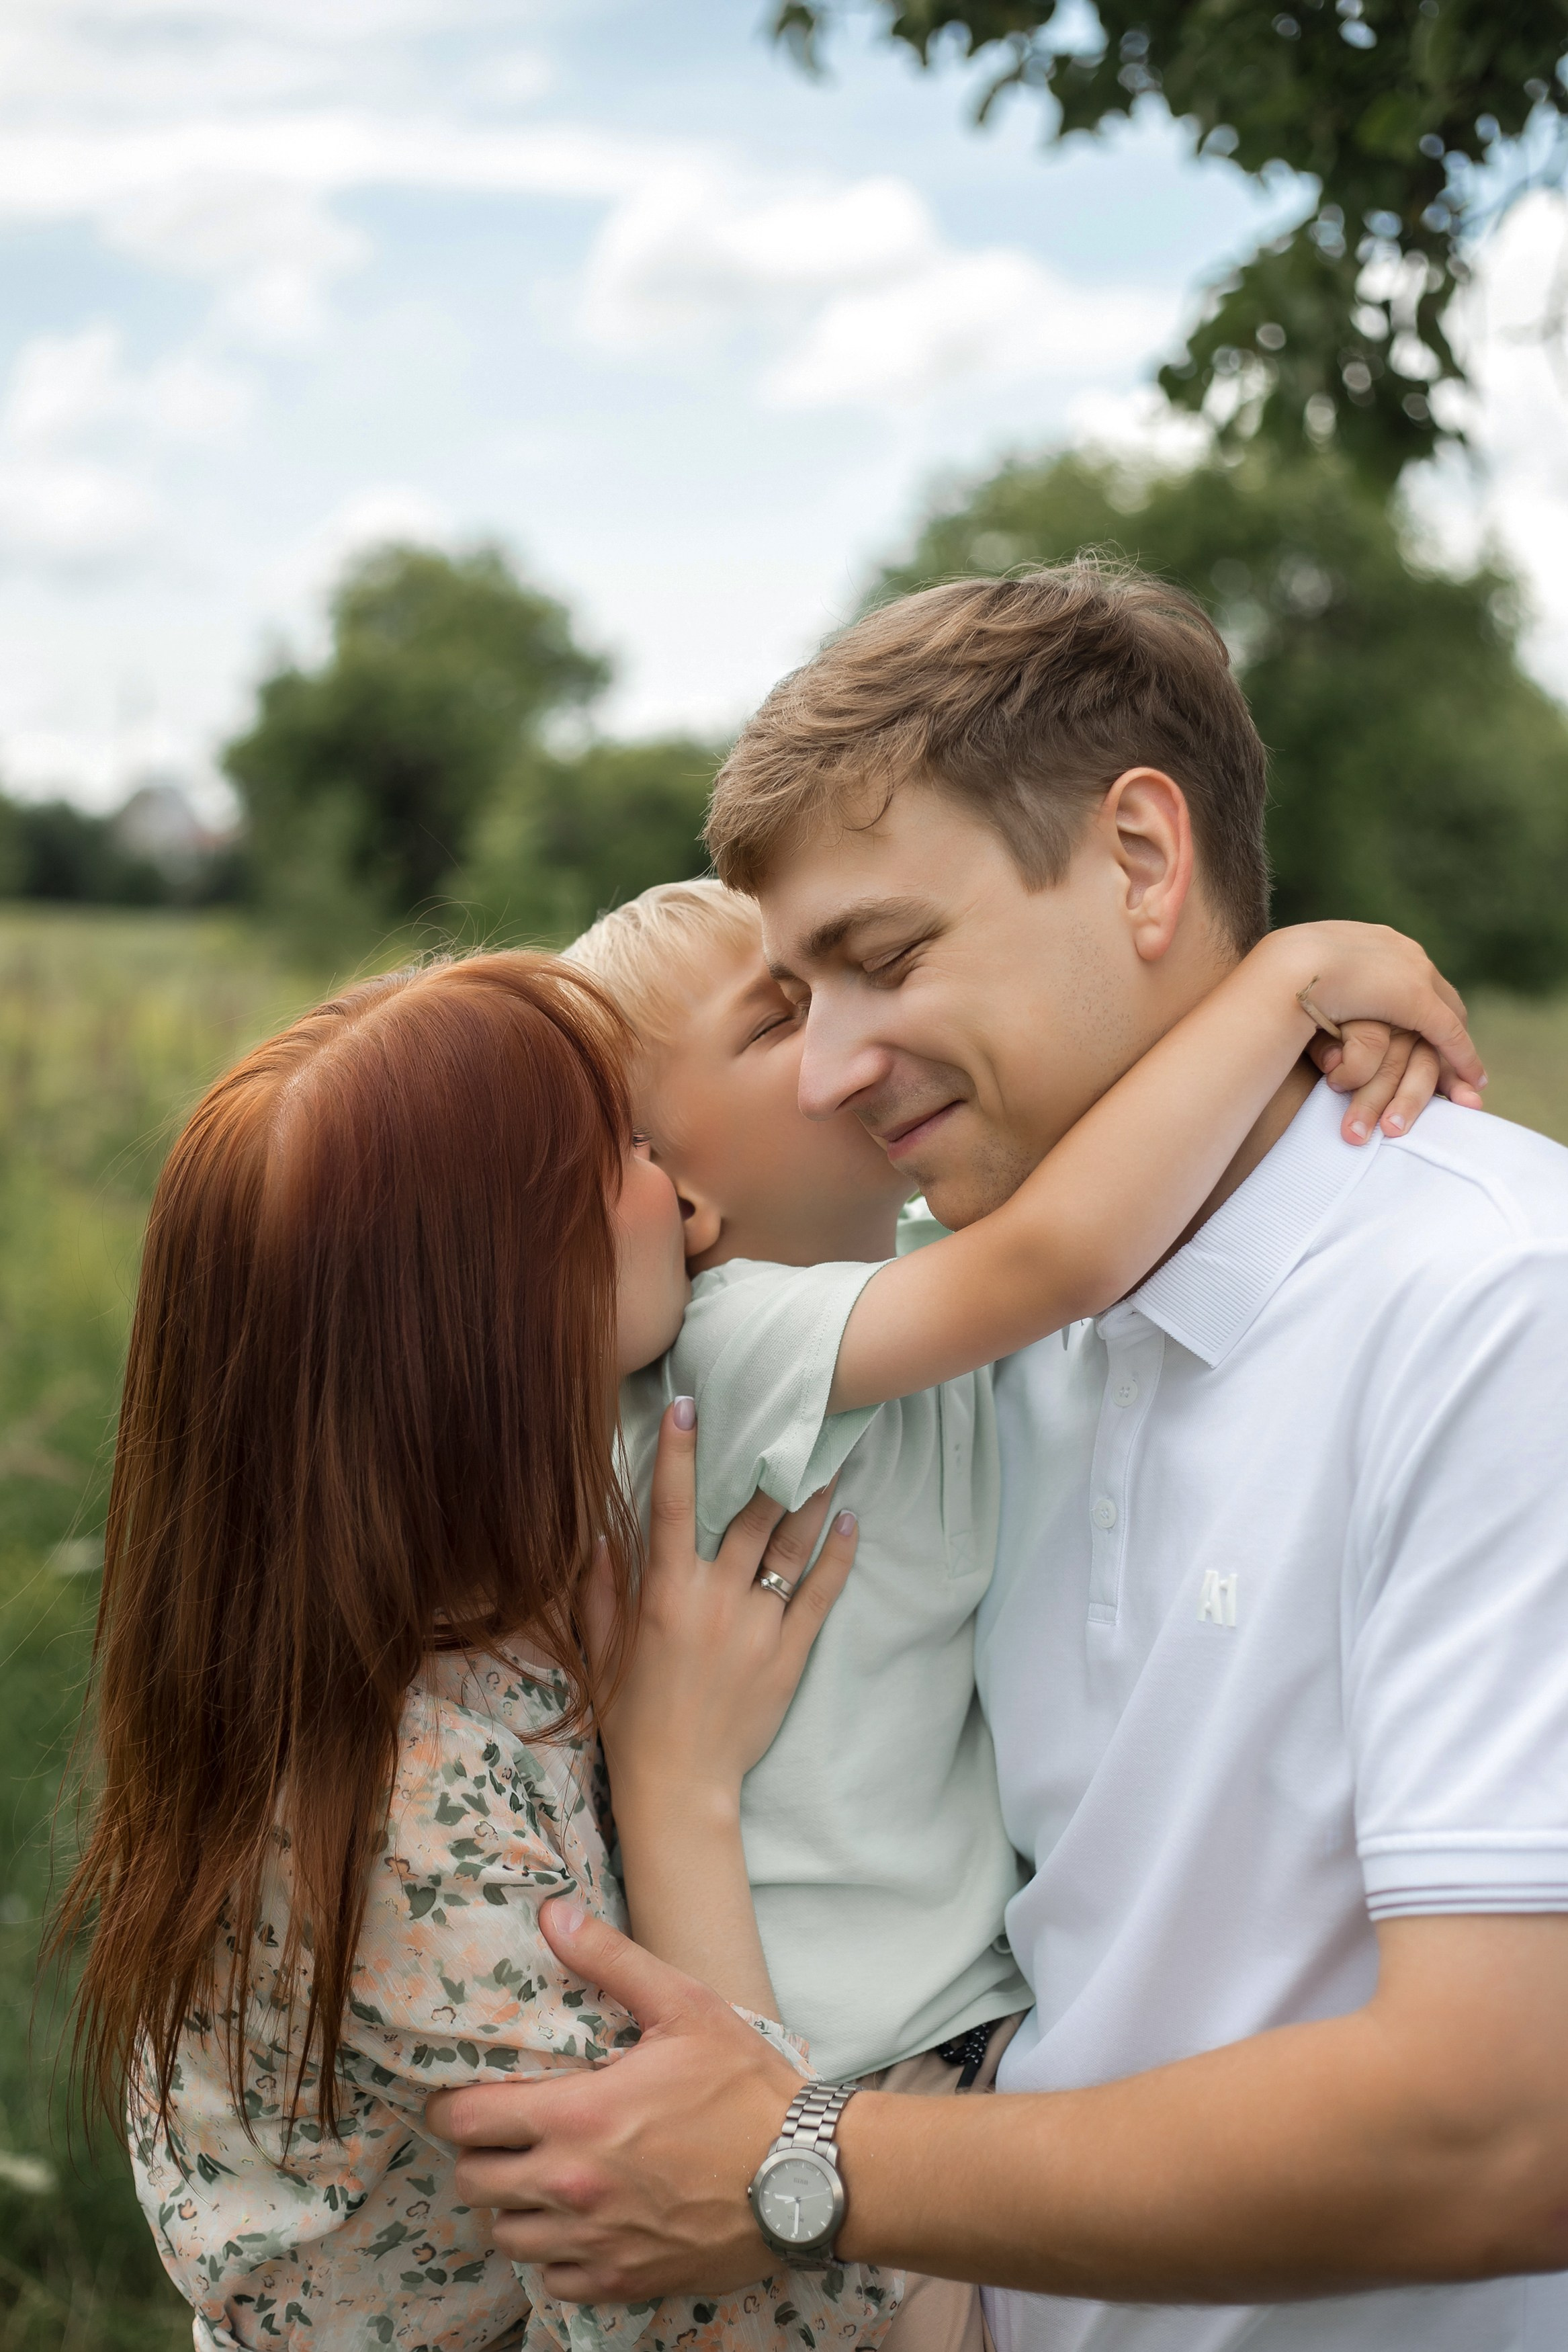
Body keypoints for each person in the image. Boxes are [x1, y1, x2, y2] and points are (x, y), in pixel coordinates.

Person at [428, 564, 1568, 2352]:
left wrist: (796, 2153)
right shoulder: (969, 1331)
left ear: (1136, 856)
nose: (823, 1069)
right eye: (789, 997)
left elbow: (1504, 2127)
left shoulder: (1494, 1305)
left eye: (879, 960)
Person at [562, 880, 1474, 2352]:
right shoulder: (733, 1344)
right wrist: (1290, 983)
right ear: (680, 1192)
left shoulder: (906, 1292)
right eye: (784, 1019)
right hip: (821, 2055)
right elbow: (1071, 1246)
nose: (849, 1054)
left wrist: (1296, 1089)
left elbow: (1108, 1197)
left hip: (943, 2048)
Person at [54, 951, 889, 2352]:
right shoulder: (409, 1804)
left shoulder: (384, 1623)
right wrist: (678, 1780)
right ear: (502, 1308)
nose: (676, 1187)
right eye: (623, 1145)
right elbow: (725, 2313)